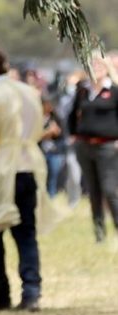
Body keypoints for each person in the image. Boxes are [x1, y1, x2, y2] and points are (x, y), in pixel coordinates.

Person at [0, 47, 50, 313]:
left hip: (0, 169)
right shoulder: (28, 91)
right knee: (26, 234)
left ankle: (0, 295)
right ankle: (32, 293)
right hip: (27, 166)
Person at [69, 55, 118, 242]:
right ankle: (99, 233)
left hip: (107, 146)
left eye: (99, 64)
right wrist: (73, 134)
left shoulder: (113, 91)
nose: (95, 68)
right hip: (84, 145)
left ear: (106, 68)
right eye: (92, 64)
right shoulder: (82, 91)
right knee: (93, 190)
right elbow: (72, 115)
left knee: (109, 189)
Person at [40, 96, 66, 197]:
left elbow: (60, 133)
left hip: (54, 151)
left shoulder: (56, 117)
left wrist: (49, 133)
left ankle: (51, 196)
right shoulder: (38, 118)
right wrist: (48, 132)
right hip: (41, 151)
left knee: (53, 176)